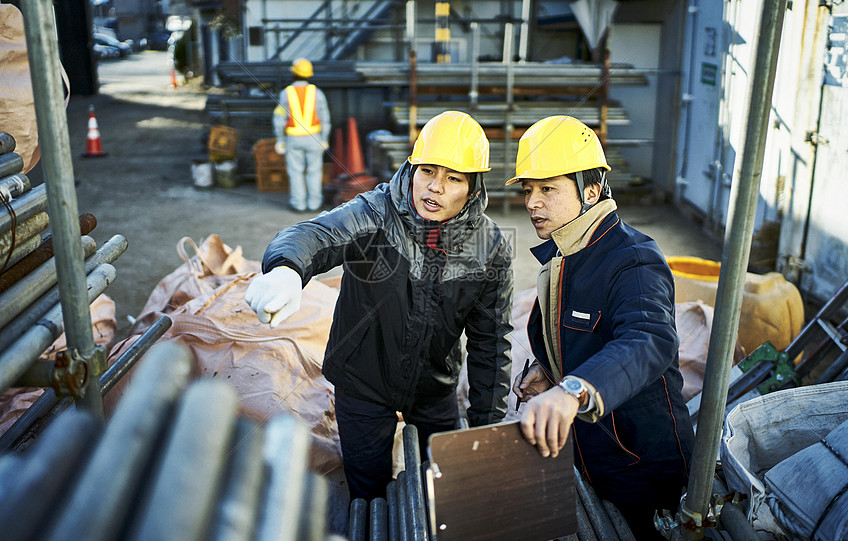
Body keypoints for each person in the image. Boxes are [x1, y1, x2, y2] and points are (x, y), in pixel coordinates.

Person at [246, 110, 513, 501]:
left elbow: (491, 340)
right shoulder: (376, 212)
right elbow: (316, 235)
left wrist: (486, 426)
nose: (434, 188)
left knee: (446, 489)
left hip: (434, 387)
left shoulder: (488, 246)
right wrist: (288, 269)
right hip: (363, 383)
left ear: (473, 190)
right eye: (427, 172)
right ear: (411, 167)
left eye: (453, 178)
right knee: (368, 492)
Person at [509, 116, 694, 540]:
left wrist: (573, 391)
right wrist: (550, 370)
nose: (533, 203)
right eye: (528, 190)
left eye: (548, 189)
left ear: (591, 190)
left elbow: (648, 339)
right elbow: (584, 336)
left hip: (642, 467)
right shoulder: (568, 255)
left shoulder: (632, 259)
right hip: (591, 453)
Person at [272, 57, 331, 212]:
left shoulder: (286, 93)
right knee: (315, 171)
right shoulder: (317, 93)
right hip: (314, 138)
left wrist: (280, 140)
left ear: (293, 73)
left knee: (295, 172)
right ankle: (314, 204)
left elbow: (279, 118)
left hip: (293, 139)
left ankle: (299, 204)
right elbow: (325, 118)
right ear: (309, 74)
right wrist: (324, 139)